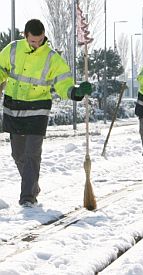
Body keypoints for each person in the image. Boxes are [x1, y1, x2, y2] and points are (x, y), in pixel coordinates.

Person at [0, 19, 92, 207]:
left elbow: (63, 82)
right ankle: (32, 185)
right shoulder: (13, 49)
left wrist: (75, 91)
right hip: (14, 109)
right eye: (33, 41)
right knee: (18, 155)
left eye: (41, 40)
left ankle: (27, 197)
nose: (38, 44)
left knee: (32, 153)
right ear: (25, 36)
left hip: (37, 109)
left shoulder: (51, 57)